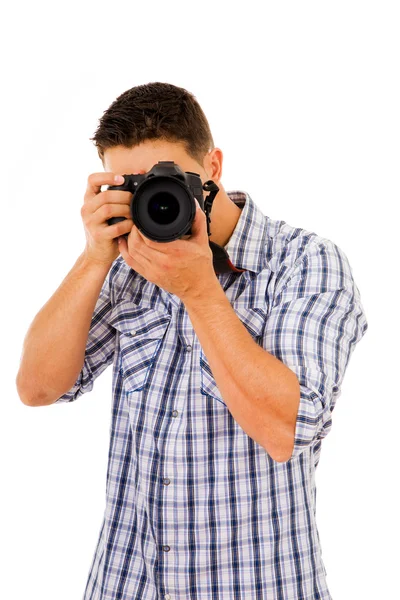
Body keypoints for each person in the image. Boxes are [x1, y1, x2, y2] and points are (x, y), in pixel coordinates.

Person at [16, 81, 368, 600]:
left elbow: (286, 431)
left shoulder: (305, 263)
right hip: (125, 582)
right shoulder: (128, 262)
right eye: (131, 187)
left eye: (167, 179)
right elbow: (37, 387)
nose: (155, 201)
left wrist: (200, 292)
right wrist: (94, 255)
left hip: (254, 585)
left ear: (214, 168)